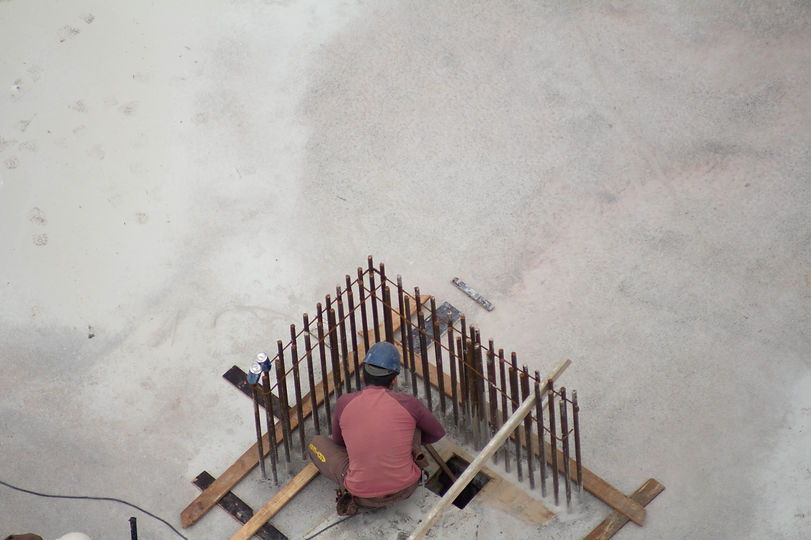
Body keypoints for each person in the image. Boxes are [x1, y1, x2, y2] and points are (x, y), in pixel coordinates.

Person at [307, 341, 445, 515]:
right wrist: (402, 446)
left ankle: (358, 480)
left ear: (364, 376)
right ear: (394, 380)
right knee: (413, 423)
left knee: (315, 444)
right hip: (407, 488)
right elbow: (437, 432)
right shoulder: (409, 404)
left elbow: (338, 442)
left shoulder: (344, 402)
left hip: (363, 497)